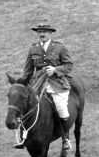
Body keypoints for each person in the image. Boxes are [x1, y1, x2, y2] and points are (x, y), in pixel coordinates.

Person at [16, 21, 73, 150]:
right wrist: (21, 84)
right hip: (37, 85)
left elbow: (69, 66)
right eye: (39, 32)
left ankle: (66, 138)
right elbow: (28, 71)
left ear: (50, 33)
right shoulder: (33, 49)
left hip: (57, 85)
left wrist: (55, 70)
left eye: (44, 32)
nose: (42, 34)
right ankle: (23, 137)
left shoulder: (60, 47)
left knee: (61, 109)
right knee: (23, 107)